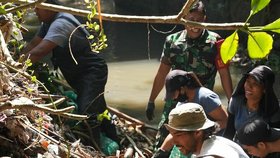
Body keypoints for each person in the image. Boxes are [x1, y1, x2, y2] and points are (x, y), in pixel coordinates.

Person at [21, 0, 118, 148]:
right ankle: (114, 138)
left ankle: (96, 148)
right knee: (98, 107)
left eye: (38, 8)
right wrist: (15, 57)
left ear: (50, 8)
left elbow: (40, 51)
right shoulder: (48, 23)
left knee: (86, 111)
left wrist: (19, 65)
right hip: (79, 74)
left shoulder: (61, 23)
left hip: (91, 73)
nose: (35, 11)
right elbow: (34, 44)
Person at [146, 0, 232, 148]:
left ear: (204, 19)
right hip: (175, 102)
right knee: (163, 142)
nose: (195, 25)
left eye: (199, 20)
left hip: (202, 106)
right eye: (191, 20)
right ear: (183, 18)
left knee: (196, 145)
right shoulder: (172, 42)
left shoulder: (215, 42)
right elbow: (162, 73)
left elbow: (224, 74)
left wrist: (232, 101)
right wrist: (151, 101)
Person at [153, 70, 228, 157]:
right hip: (192, 141)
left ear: (182, 88)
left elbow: (225, 121)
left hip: (211, 142)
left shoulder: (205, 97)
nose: (173, 98)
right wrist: (162, 151)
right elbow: (176, 133)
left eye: (174, 94)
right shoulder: (181, 104)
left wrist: (205, 131)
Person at [164, 102, 249, 158]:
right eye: (172, 135)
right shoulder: (222, 142)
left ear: (198, 132)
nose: (174, 142)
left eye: (178, 135)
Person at [223, 65, 280, 141]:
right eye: (248, 81)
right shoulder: (236, 101)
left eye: (255, 84)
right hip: (239, 147)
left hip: (261, 149)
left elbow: (275, 139)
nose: (249, 86)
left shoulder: (272, 109)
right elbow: (229, 133)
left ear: (265, 89)